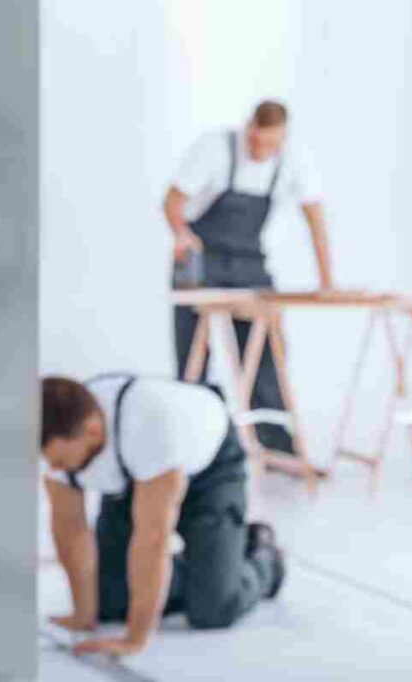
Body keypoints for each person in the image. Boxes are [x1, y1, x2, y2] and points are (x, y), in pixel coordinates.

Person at [40, 373, 285, 656]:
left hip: (210, 472)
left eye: (59, 461)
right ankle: (206, 565)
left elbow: (153, 540)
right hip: (135, 478)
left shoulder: (148, 428)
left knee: (213, 607)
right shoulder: (58, 442)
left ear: (93, 431)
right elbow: (70, 530)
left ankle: (264, 558)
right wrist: (83, 617)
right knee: (108, 599)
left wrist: (135, 638)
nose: (54, 467)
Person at [164, 100, 332, 457]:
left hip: (248, 262)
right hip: (201, 256)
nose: (261, 151)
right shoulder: (215, 149)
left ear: (282, 139)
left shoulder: (292, 162)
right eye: (256, 141)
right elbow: (172, 201)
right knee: (192, 353)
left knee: (267, 348)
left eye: (270, 145)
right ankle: (194, 444)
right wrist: (180, 232)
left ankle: (276, 444)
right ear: (247, 127)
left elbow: (315, 219)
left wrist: (326, 280)